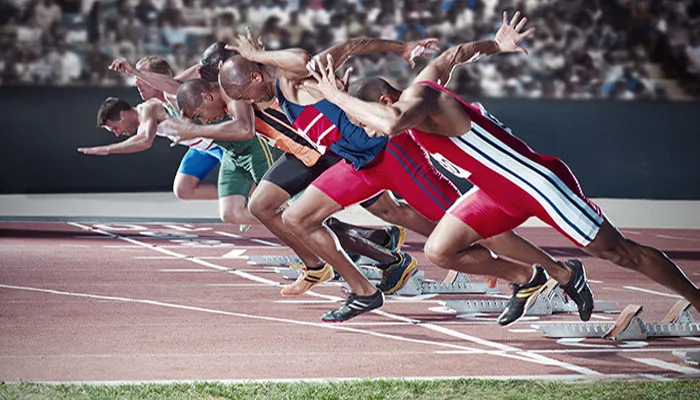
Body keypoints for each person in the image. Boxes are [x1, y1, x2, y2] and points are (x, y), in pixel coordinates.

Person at [307, 11, 700, 322]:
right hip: (495, 193)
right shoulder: (420, 87)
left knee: (621, 253)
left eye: (364, 119)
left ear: (385, 99)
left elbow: (391, 123)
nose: (367, 129)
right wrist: (495, 44)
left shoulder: (421, 101)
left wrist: (336, 98)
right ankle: (550, 276)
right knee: (440, 249)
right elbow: (449, 57)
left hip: (537, 184)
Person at [221, 31, 590, 324]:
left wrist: (258, 55)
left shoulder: (294, 81)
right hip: (359, 164)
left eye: (245, 94)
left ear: (256, 75)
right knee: (296, 218)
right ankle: (364, 292)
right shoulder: (278, 95)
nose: (249, 102)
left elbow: (324, 52)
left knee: (480, 230)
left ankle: (561, 271)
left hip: (396, 155)